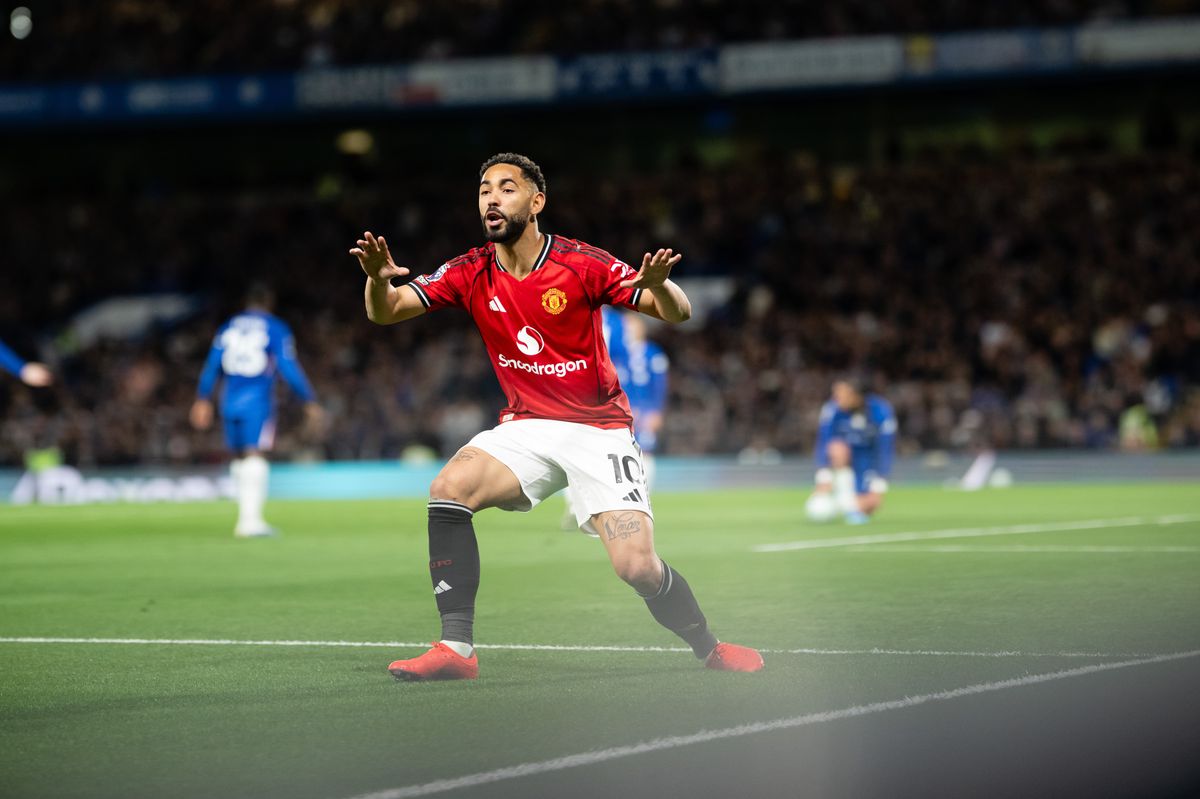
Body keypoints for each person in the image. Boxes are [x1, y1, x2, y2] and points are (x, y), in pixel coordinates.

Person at [350, 152, 762, 680]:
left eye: (506, 188)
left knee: (636, 567)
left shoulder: (579, 263)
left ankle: (710, 647)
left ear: (536, 201)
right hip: (526, 425)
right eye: (483, 190)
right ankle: (457, 649)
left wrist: (657, 284)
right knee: (448, 487)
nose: (492, 199)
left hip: (599, 430)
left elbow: (677, 312)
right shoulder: (470, 270)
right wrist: (374, 280)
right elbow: (386, 311)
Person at [189, 284, 322, 537]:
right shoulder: (275, 327)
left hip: (228, 399)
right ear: (268, 303)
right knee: (255, 454)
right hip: (257, 400)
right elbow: (287, 366)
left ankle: (244, 518)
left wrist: (202, 399)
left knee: (240, 457)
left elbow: (211, 365)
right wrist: (308, 399)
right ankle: (251, 522)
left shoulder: (228, 326)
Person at [805, 377, 897, 525]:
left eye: (841, 394)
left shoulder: (881, 411)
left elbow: (885, 449)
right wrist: (823, 476)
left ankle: (845, 502)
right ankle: (840, 497)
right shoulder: (831, 409)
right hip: (844, 458)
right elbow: (823, 442)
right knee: (837, 448)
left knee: (869, 505)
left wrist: (878, 486)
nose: (836, 398)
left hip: (868, 460)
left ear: (855, 395)